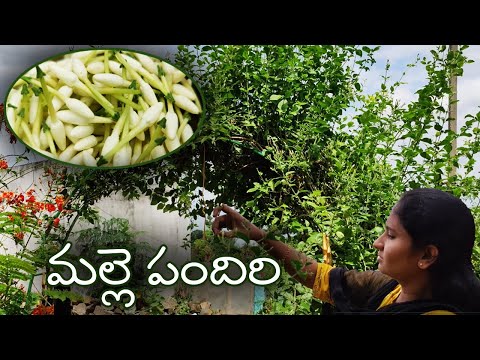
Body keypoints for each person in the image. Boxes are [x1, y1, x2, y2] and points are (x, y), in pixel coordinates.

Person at [212, 188, 480, 314]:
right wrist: (258, 235)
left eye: (391, 235)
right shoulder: (390, 288)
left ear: (427, 256)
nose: (378, 242)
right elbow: (319, 276)